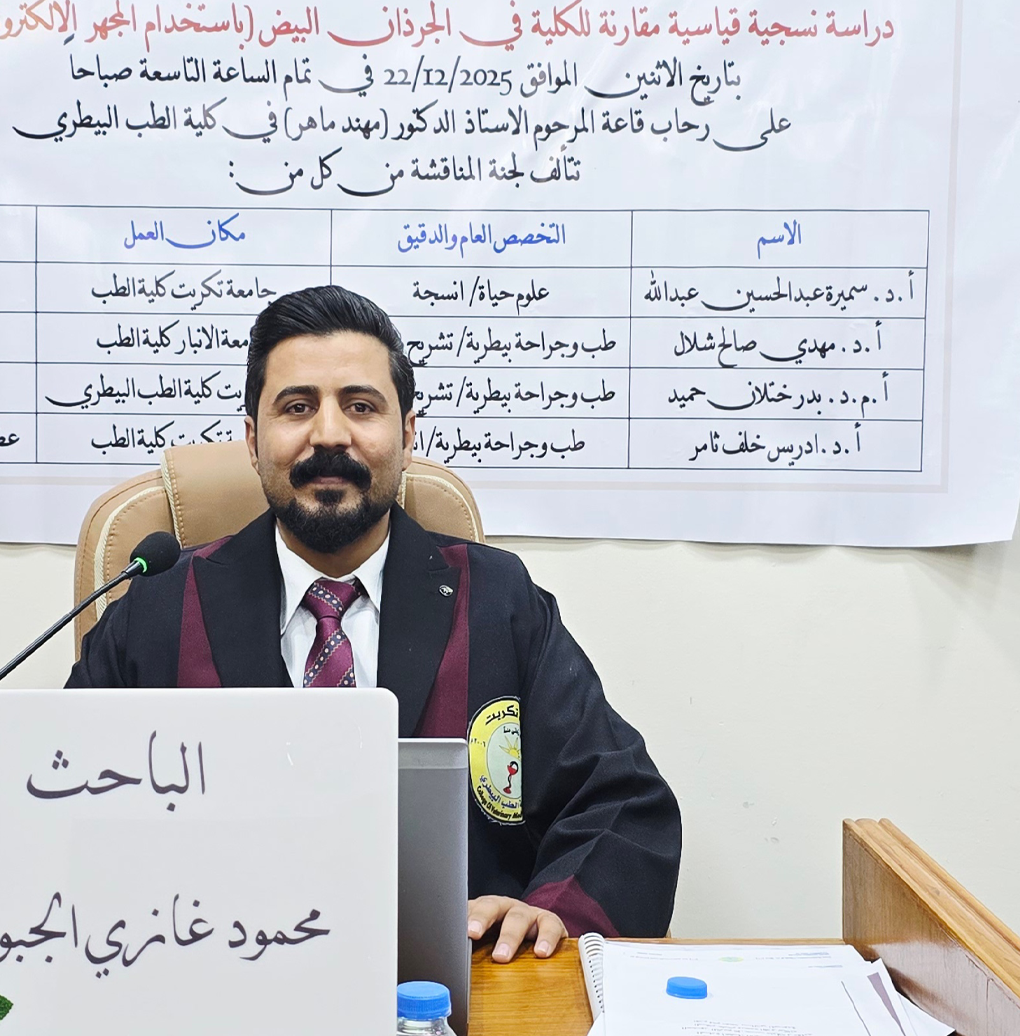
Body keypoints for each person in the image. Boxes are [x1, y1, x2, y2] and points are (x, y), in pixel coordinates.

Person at [69, 285, 682, 960]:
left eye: (360, 406)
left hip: (456, 983)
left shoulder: (496, 599)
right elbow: (63, 811)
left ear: (408, 435)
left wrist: (546, 914)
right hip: (209, 974)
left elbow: (622, 805)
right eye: (297, 407)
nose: (330, 434)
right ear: (252, 439)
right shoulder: (158, 608)